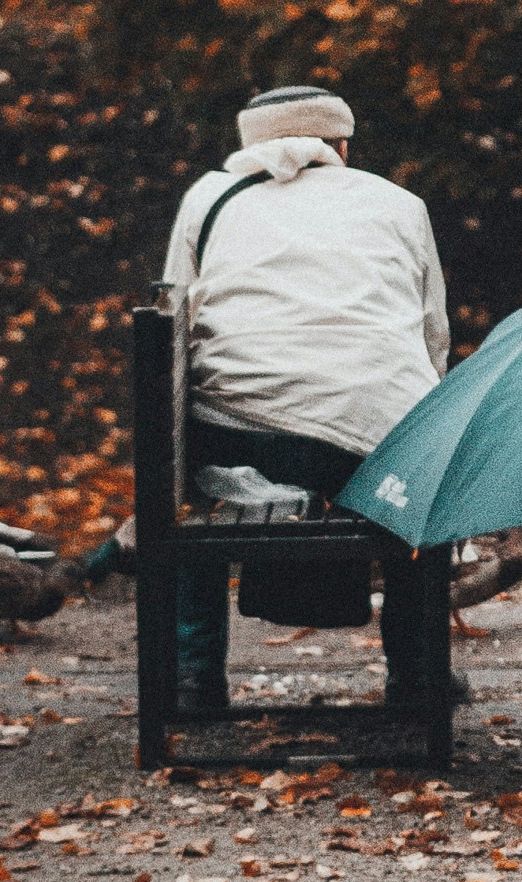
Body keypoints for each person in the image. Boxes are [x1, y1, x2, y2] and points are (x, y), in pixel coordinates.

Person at [162, 82, 455, 718]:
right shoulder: (401, 204)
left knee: (191, 487)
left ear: (248, 145)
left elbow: (174, 327)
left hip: (240, 445)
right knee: (417, 483)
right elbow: (435, 341)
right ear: (341, 145)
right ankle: (419, 678)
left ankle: (192, 677)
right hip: (375, 456)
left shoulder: (207, 200)